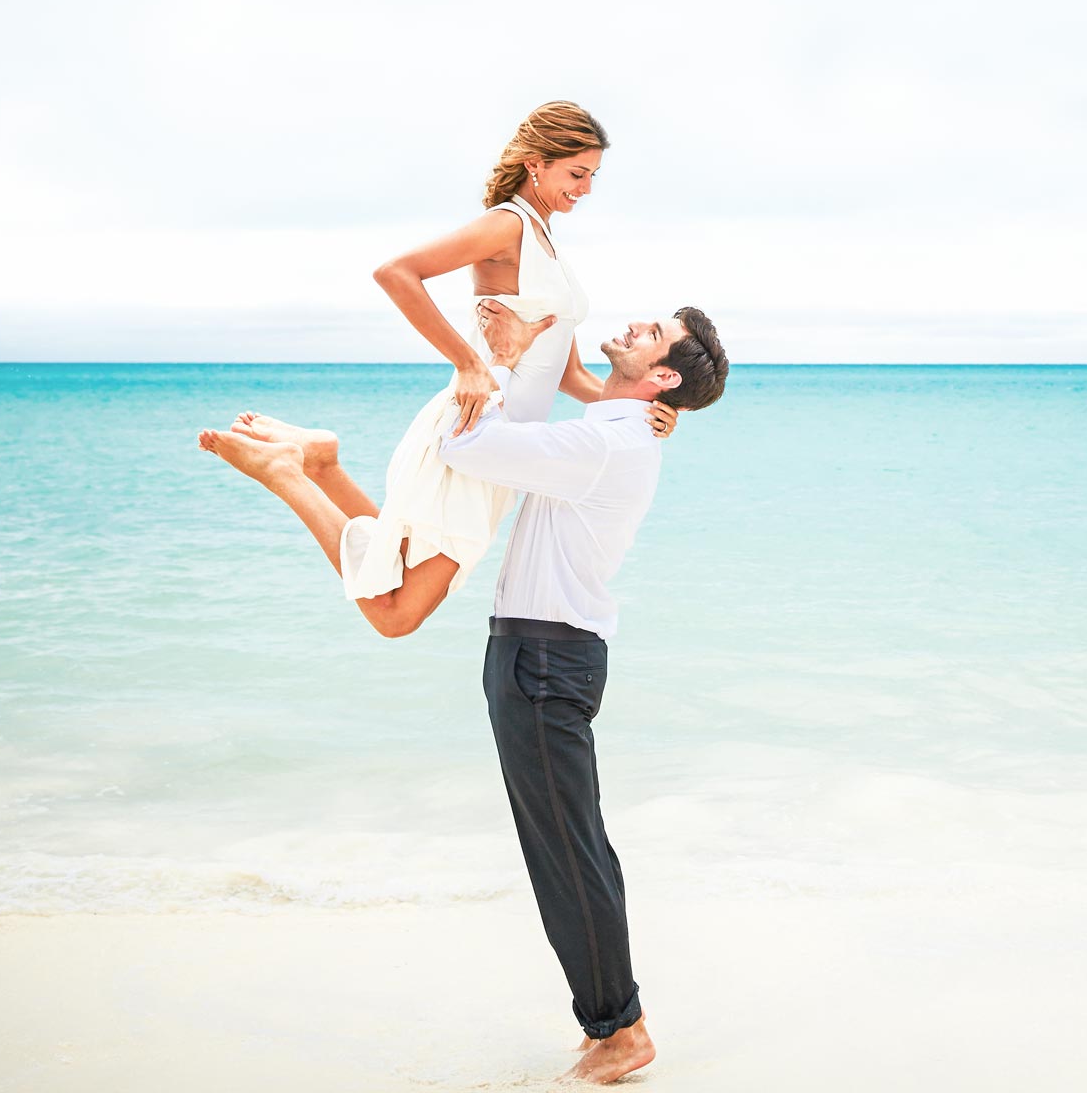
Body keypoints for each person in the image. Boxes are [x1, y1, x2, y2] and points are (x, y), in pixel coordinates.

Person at [197, 300, 729, 1085]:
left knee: (570, 856)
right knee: (575, 850)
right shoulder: (618, 428)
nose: (636, 321)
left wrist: (502, 362)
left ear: (659, 377)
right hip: (544, 657)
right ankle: (611, 1018)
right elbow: (582, 389)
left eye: (654, 334)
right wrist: (533, 353)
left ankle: (620, 1030)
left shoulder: (606, 444)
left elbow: (464, 444)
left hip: (545, 664)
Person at [215, 100, 676, 639]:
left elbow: (570, 377)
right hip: (473, 425)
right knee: (396, 613)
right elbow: (396, 273)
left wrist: (645, 413)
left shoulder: (549, 243)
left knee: (402, 562)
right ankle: (289, 473)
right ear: (536, 163)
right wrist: (467, 363)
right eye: (577, 174)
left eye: (593, 176)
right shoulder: (508, 225)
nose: (586, 189)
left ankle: (323, 463)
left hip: (504, 448)